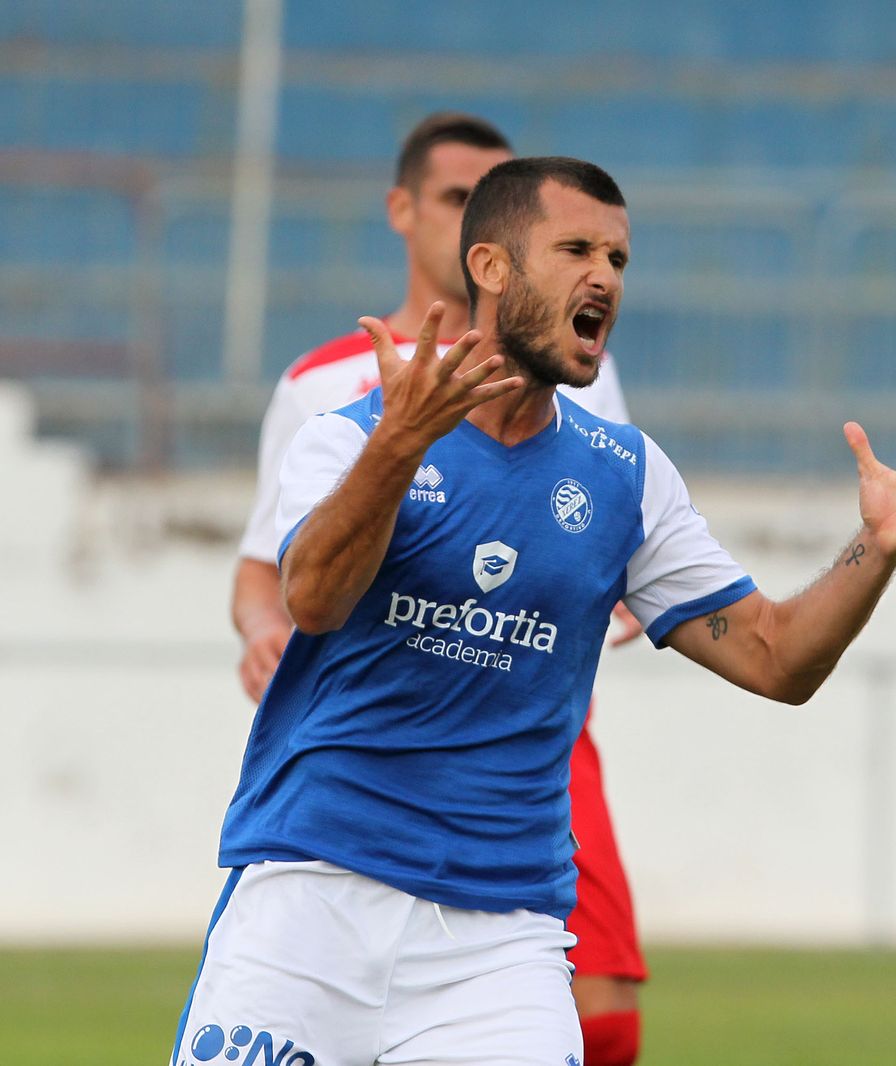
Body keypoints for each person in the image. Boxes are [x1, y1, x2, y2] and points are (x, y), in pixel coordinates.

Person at [175, 155, 896, 1066]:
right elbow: (316, 599)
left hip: (497, 943)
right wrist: (402, 444)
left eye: (617, 258)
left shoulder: (626, 477)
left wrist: (874, 550)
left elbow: (777, 658)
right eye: (576, 249)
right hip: (310, 895)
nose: (604, 277)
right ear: (491, 267)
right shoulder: (346, 435)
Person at [228, 115, 646, 1066]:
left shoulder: (588, 373)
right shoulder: (324, 387)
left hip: (532, 737)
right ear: (408, 212)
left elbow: (604, 503)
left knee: (606, 1009)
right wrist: (263, 629)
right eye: (455, 196)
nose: (595, 270)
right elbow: (271, 570)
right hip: (373, 739)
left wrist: (614, 580)